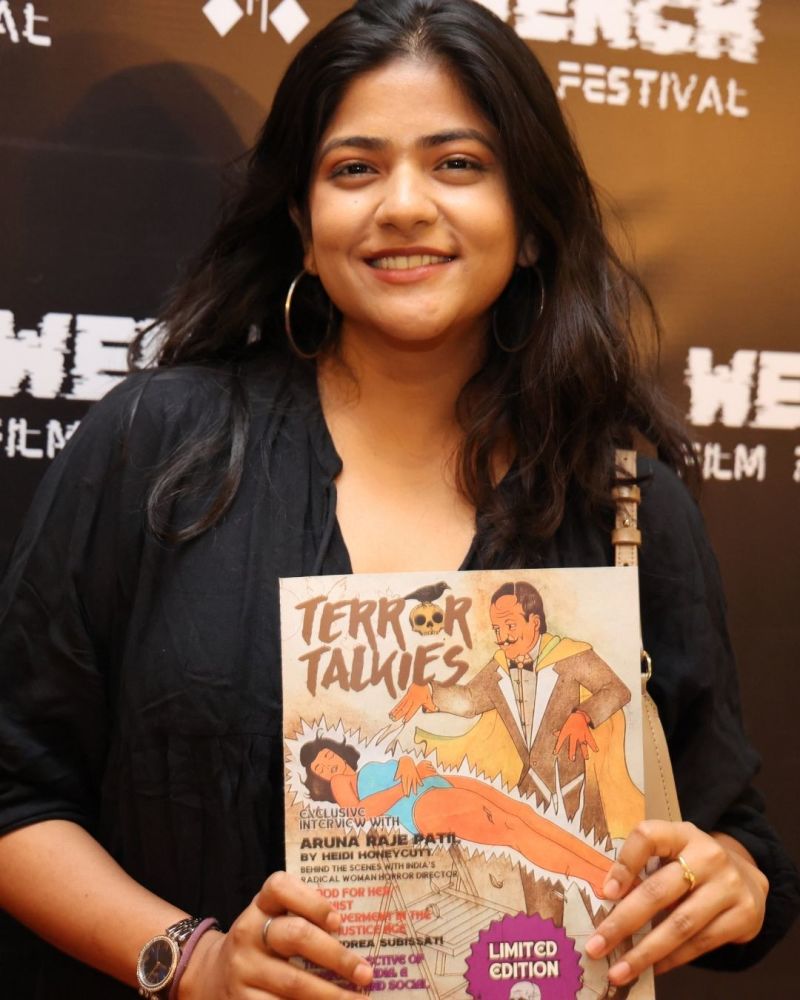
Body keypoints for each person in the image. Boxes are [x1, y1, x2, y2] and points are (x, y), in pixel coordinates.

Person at [0, 1, 797, 998]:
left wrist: (728, 883)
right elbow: (17, 792)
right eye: (355, 168)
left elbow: (736, 837)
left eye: (457, 163)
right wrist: (194, 963)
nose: (405, 205)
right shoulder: (157, 448)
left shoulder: (626, 505)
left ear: (531, 222)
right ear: (303, 224)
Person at [392, 580, 638, 843]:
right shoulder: (499, 667)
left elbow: (617, 690)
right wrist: (429, 691)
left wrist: (583, 716)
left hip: (576, 788)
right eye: (497, 629)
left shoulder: (572, 656)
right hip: (530, 791)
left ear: (534, 623)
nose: (502, 637)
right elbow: (470, 700)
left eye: (510, 626)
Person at [299, 736, 614, 896]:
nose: (329, 764)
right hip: (422, 807)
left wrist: (408, 765)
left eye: (326, 755)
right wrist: (404, 785)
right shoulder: (341, 783)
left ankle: (605, 865)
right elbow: (360, 813)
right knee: (512, 828)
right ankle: (596, 877)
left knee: (523, 813)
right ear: (320, 780)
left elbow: (402, 770)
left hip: (434, 785)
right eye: (320, 768)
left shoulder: (365, 769)